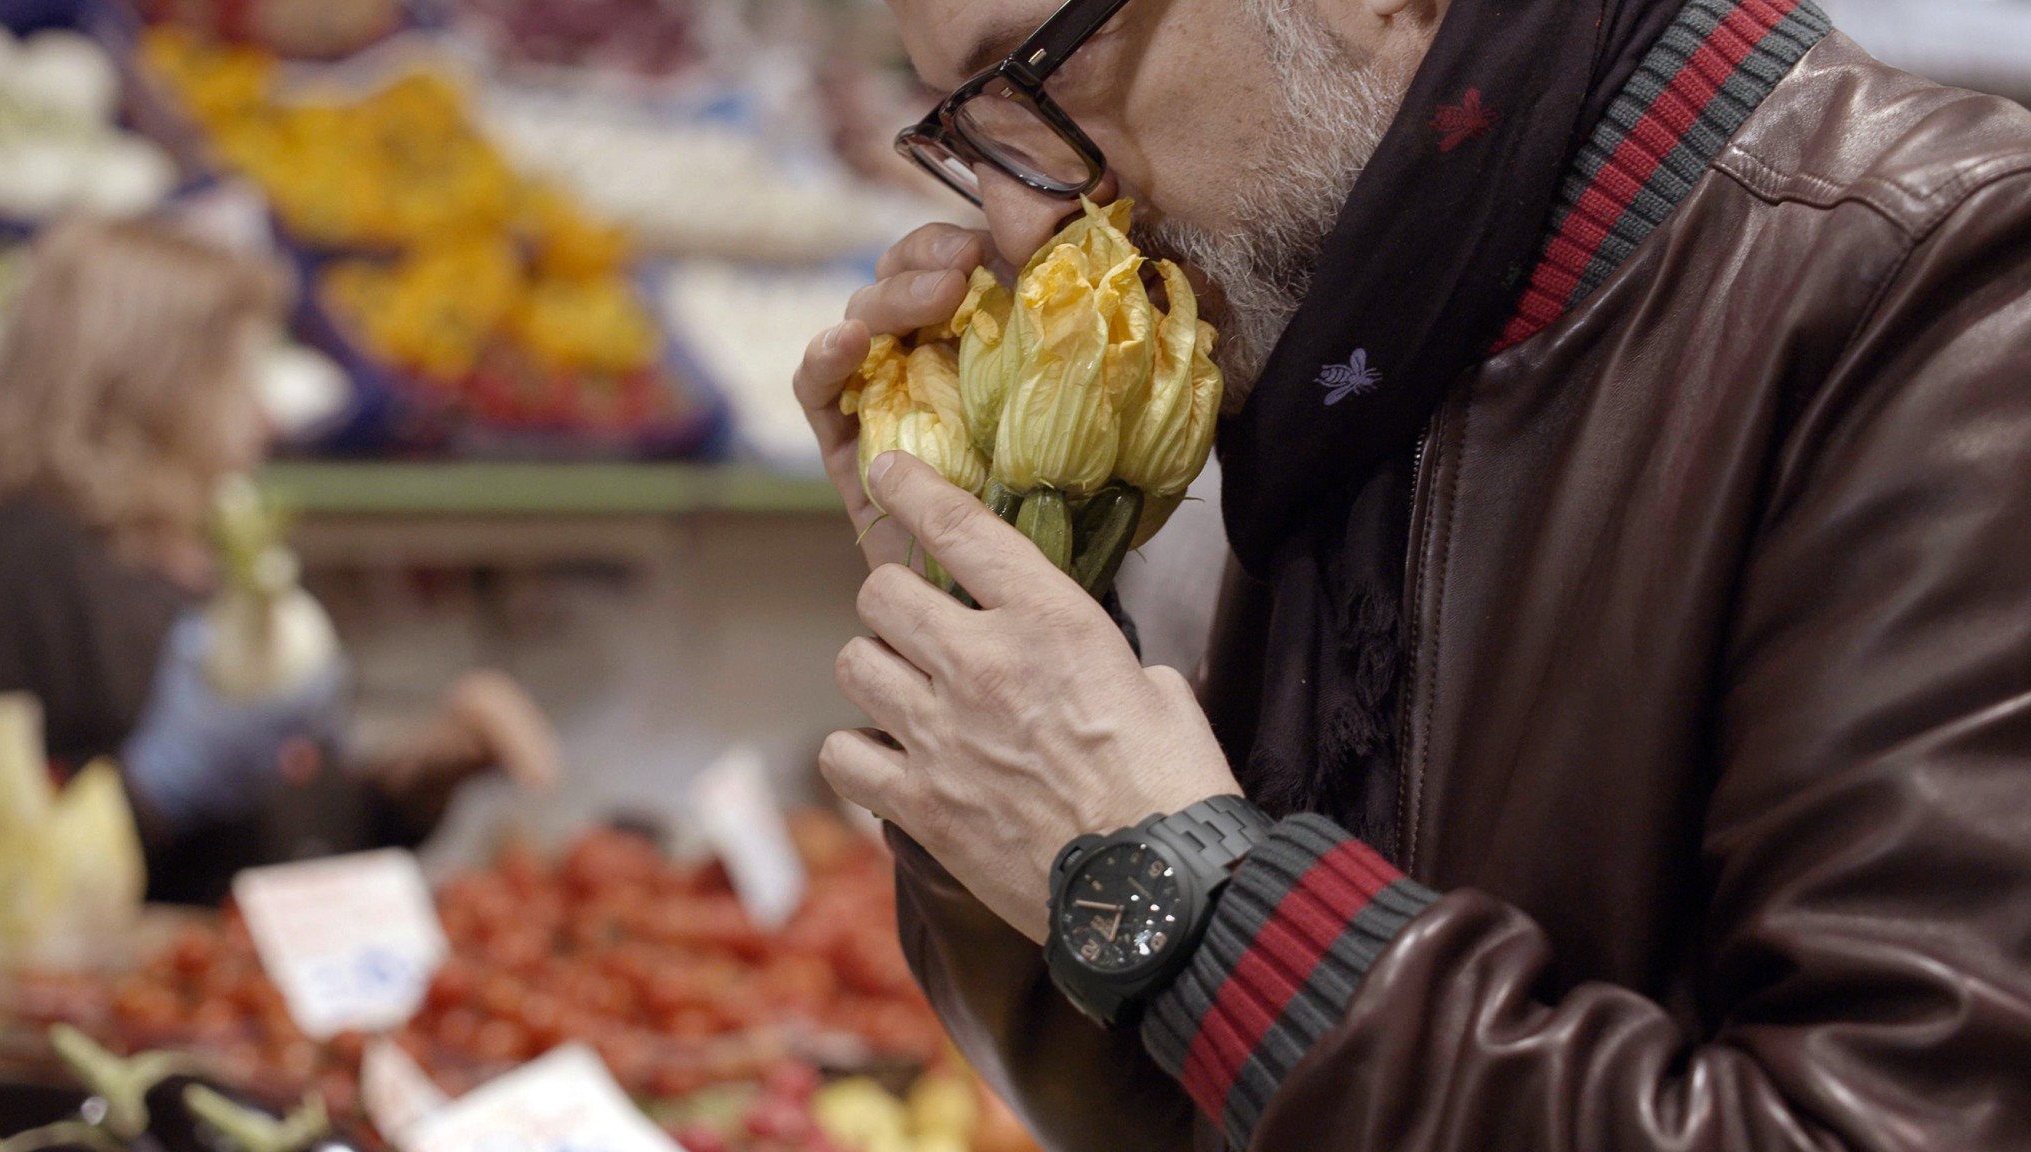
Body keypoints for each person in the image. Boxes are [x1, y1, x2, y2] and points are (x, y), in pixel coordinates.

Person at [791, 0, 2031, 1147]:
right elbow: (1169, 1118)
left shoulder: (1951, 287)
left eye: (1038, 76)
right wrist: (983, 605)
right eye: (965, 129)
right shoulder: (1353, 328)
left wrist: (1186, 899)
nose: (1019, 227)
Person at [0, 217, 556, 905]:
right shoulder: (15, 567)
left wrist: (420, 775)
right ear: (146, 385)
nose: (267, 417)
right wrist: (155, 786)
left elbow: (274, 835)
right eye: (238, 379)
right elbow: (8, 877)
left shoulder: (218, 558)